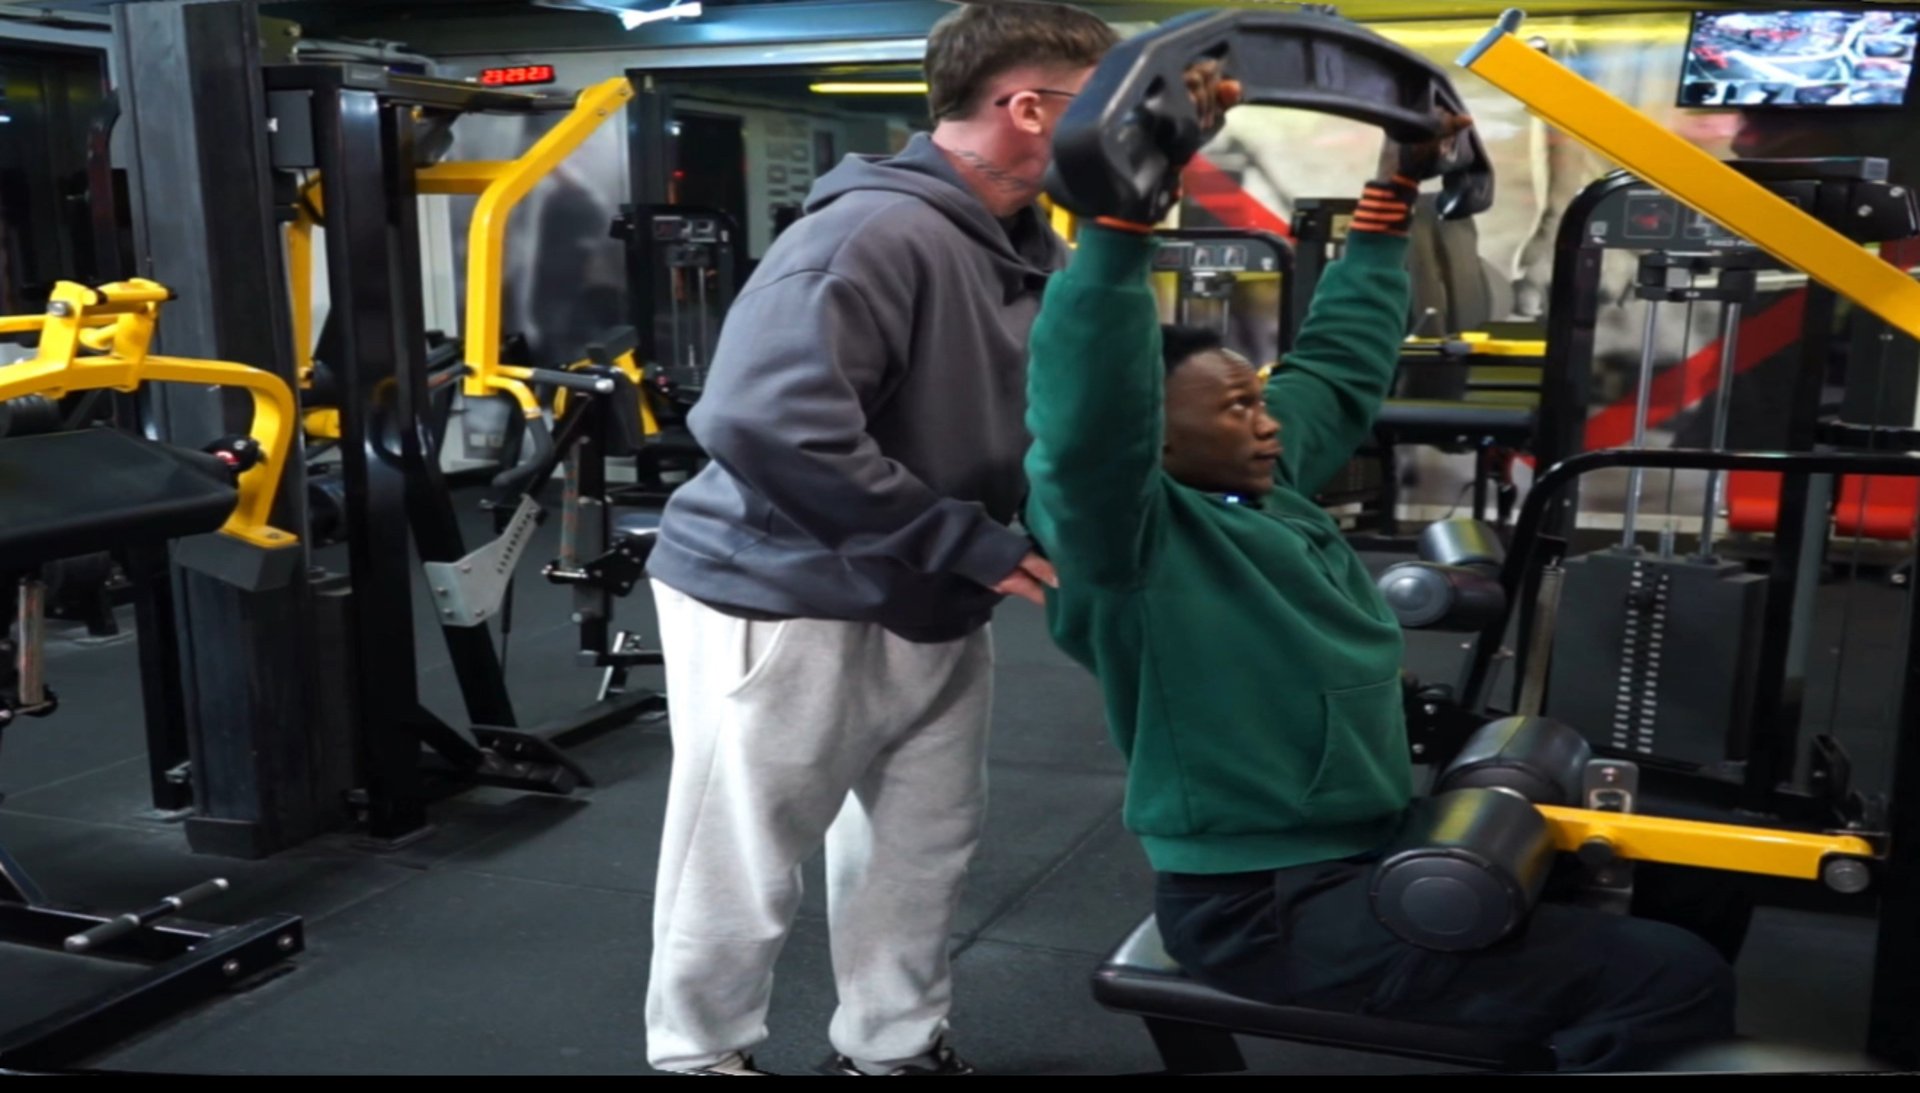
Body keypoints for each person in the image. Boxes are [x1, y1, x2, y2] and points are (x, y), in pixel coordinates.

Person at [1021, 71, 1744, 1073]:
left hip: (1361, 841)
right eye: (1233, 409)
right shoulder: (1128, 541)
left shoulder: (1265, 487)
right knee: (1666, 974)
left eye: (1258, 398)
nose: (1267, 419)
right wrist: (1119, 216)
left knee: (1697, 880)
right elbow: (1084, 409)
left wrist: (1388, 200)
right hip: (1265, 905)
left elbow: (1343, 363)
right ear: (1155, 440)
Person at [641, 1, 1119, 1078]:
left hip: (929, 590)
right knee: (744, 861)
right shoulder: (869, 233)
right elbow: (764, 417)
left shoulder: (1020, 244)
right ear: (1028, 108)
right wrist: (964, 537)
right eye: (1110, 107)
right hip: (784, 590)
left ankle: (890, 1048)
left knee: (922, 848)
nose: (1127, 132)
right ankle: (698, 1056)